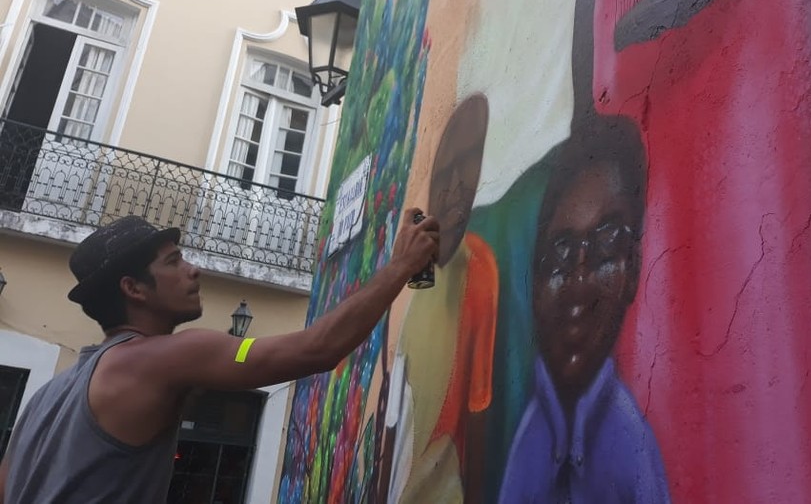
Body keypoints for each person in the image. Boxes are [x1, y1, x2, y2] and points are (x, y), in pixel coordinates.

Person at [0, 210, 439, 504]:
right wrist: (401, 265)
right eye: (173, 262)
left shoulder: (45, 399)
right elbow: (317, 349)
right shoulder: (171, 355)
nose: (193, 269)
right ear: (133, 288)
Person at [499, 115, 670, 503]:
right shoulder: (531, 441)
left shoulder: (628, 448)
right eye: (560, 248)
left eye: (606, 243)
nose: (579, 278)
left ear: (632, 271)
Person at [381, 94, 497, 503]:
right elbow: (393, 413)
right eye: (445, 173)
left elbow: (479, 411)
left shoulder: (477, 264)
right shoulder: (414, 280)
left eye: (469, 166)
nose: (455, 189)